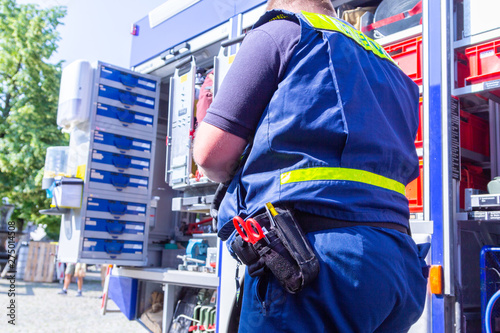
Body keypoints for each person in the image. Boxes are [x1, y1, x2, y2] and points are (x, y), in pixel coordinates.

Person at [193, 0, 427, 331]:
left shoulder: (281, 32)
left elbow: (210, 155)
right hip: (397, 263)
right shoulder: (389, 66)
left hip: (316, 263)